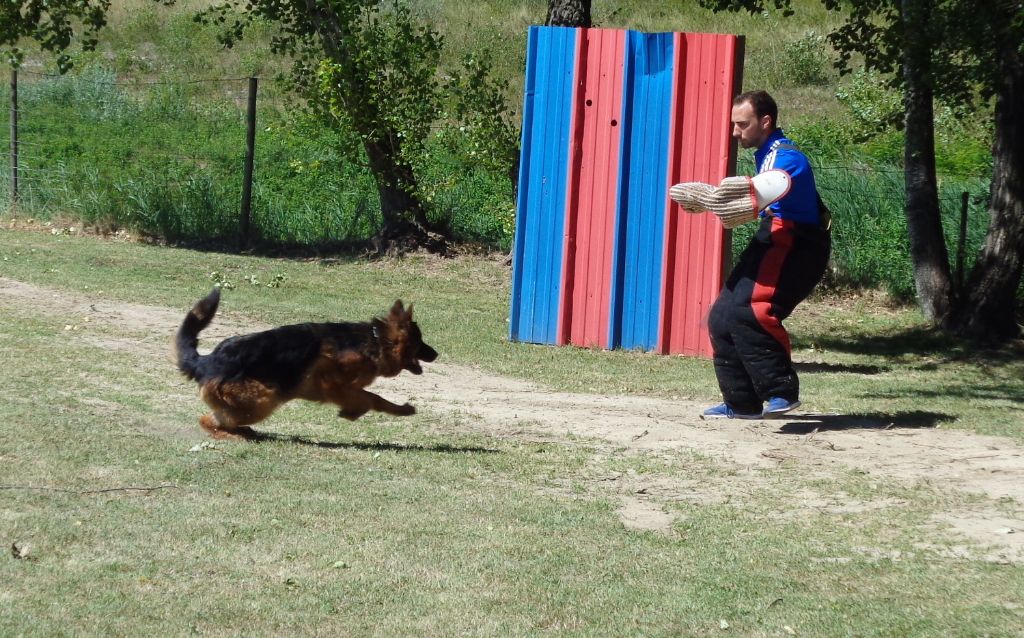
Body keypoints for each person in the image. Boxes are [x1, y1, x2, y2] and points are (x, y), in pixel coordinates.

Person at [702, 90, 831, 419]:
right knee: (721, 316)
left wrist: (719, 200)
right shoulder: (767, 153)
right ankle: (741, 402)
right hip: (774, 235)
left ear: (766, 121)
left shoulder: (784, 155)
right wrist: (709, 201)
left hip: (795, 241)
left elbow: (771, 184)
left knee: (753, 310)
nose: (735, 132)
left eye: (742, 125)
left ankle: (780, 392)